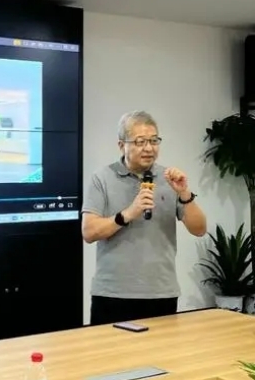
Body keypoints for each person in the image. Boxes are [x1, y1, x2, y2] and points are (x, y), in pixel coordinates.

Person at [81, 110, 207, 326]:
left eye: (154, 141)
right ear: (121, 145)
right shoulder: (102, 178)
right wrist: (128, 214)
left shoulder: (170, 178)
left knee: (161, 349)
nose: (149, 148)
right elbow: (89, 232)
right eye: (140, 142)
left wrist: (185, 193)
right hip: (113, 294)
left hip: (161, 293)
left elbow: (199, 229)